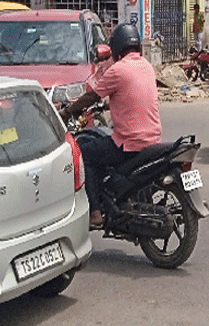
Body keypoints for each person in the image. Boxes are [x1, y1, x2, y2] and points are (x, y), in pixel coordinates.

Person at [60, 24, 161, 229]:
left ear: (116, 47)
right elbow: (132, 95)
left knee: (84, 154)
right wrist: (109, 104)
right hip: (153, 140)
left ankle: (95, 212)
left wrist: (67, 111)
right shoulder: (146, 66)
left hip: (129, 143)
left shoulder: (118, 70)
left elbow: (92, 96)